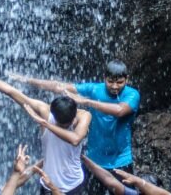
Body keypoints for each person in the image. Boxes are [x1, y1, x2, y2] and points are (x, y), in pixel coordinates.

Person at [0, 58, 92, 194]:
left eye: (66, 123)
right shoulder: (45, 111)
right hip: (48, 183)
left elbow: (75, 139)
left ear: (74, 115)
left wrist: (45, 124)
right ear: (53, 115)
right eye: (59, 123)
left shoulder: (84, 116)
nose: (62, 125)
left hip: (73, 184)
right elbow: (10, 91)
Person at [10, 60, 140, 194]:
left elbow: (120, 110)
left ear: (127, 79)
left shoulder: (132, 94)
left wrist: (86, 101)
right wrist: (27, 80)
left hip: (121, 160)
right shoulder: (95, 89)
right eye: (110, 81)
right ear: (104, 78)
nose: (114, 86)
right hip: (93, 162)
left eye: (119, 82)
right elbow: (59, 86)